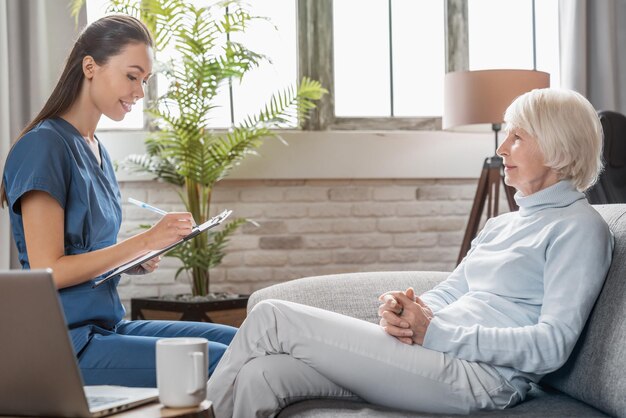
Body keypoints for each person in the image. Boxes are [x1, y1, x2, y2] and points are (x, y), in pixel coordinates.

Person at [204, 88, 614, 417]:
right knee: (264, 374)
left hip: (482, 377)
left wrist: (434, 332)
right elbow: (451, 292)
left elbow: (552, 345)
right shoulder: (503, 224)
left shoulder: (579, 229)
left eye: (518, 136)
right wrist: (408, 309)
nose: (502, 148)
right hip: (430, 353)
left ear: (559, 147)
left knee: (272, 316)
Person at [0, 14, 236, 387]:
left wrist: (133, 260)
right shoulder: (43, 147)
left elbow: (87, 256)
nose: (140, 92)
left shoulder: (97, 150)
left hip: (109, 325)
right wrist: (143, 242)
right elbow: (49, 270)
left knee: (241, 344)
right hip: (68, 343)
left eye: (145, 80)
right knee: (221, 362)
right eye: (132, 76)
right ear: (90, 67)